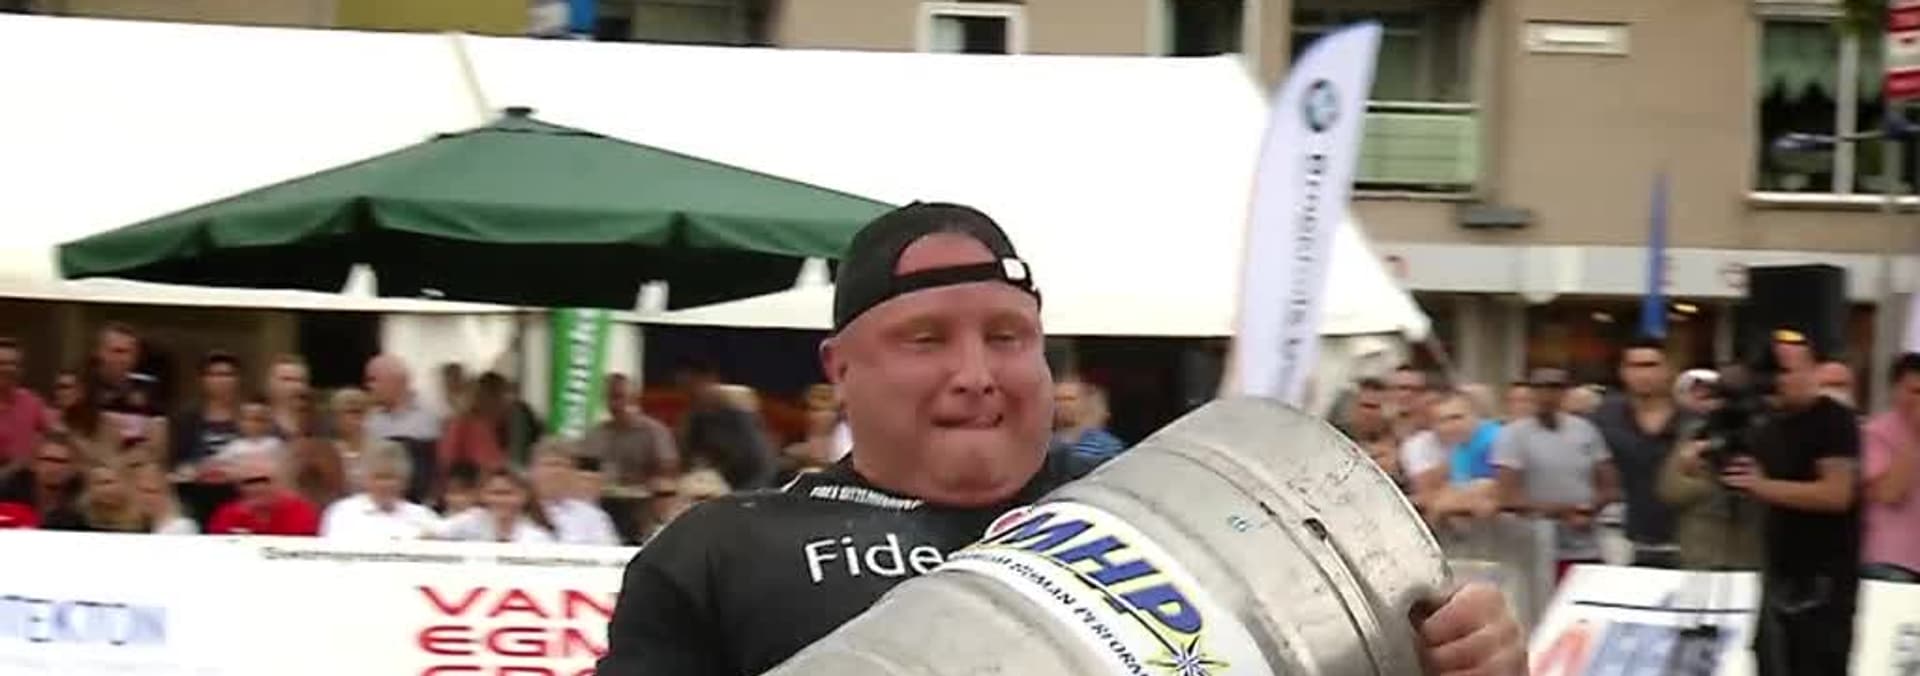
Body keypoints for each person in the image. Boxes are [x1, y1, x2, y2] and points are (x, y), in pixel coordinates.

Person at [596, 202, 1522, 675]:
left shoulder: (1190, 518)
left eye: (1008, 337)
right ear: (840, 369)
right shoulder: (720, 553)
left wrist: (1452, 660)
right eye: (926, 340)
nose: (976, 372)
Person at [1721, 331, 1861, 675]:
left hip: (1822, 582)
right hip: (1777, 572)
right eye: (1771, 372)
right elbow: (1745, 479)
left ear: (1813, 370)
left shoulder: (1834, 420)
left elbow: (1836, 494)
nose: (1777, 380)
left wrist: (1762, 486)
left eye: (1785, 370)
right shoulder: (1767, 424)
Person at [1492, 368, 1618, 581]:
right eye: (1540, 388)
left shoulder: (1586, 430)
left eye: (1555, 388)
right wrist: (1564, 512)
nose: (1547, 395)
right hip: (1538, 549)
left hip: (1587, 546)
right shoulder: (1512, 435)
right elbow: (1507, 497)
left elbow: (1609, 485)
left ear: (1565, 393)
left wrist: (1589, 509)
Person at [1588, 336, 1687, 568]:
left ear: (1670, 370)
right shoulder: (1601, 419)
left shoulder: (1693, 422)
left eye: (1651, 365)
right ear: (1622, 372)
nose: (1643, 374)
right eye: (1634, 366)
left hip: (1682, 541)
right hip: (1616, 541)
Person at [1862, 353, 1920, 581]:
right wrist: (1915, 434)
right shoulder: (1874, 433)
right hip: (1890, 562)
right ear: (1895, 390)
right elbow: (1889, 493)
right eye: (1915, 391)